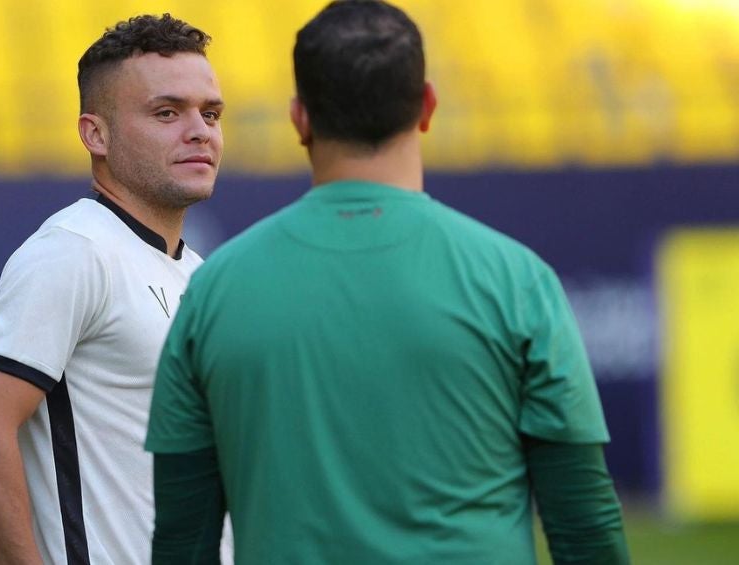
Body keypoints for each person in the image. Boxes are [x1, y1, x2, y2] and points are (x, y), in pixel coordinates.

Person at [144, 1, 631, 564]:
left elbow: (183, 539)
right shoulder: (517, 279)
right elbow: (584, 524)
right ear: (427, 106)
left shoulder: (213, 291)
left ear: (300, 118)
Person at [0, 13, 230, 565]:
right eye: (167, 112)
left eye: (210, 113)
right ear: (95, 133)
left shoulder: (197, 272)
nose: (199, 130)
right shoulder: (74, 251)